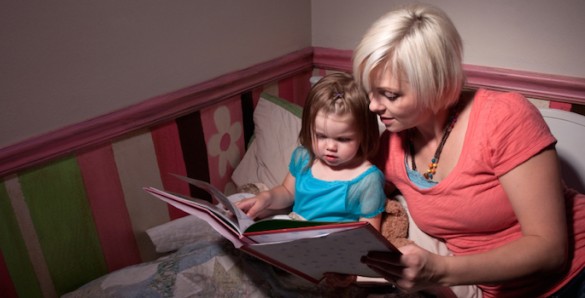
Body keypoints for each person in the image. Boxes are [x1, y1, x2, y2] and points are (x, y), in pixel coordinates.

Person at [353, 4, 585, 298]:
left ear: (434, 84)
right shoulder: (390, 147)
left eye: (390, 95)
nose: (374, 106)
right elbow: (346, 186)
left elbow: (550, 250)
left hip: (576, 275)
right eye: (369, 92)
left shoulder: (504, 117)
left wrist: (440, 271)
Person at [236, 72, 386, 231]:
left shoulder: (368, 179)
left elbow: (369, 232)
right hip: (293, 231)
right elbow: (287, 192)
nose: (330, 147)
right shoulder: (304, 157)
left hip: (333, 243)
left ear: (365, 135)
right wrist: (267, 197)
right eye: (321, 136)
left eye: (343, 139)